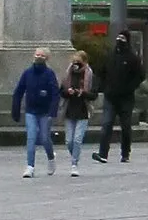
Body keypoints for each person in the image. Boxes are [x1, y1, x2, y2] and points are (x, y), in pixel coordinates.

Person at [12, 46, 61, 177]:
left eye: (42, 55)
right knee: (31, 137)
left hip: (45, 112)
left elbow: (55, 93)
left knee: (45, 138)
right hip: (31, 111)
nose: (38, 57)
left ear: (47, 58)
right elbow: (18, 91)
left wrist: (53, 112)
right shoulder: (27, 73)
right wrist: (15, 110)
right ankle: (30, 166)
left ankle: (51, 158)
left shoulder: (49, 74)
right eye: (37, 54)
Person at [95, 30, 142, 162]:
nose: (119, 41)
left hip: (126, 99)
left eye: (122, 39)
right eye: (118, 38)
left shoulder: (133, 58)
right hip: (110, 97)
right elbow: (101, 72)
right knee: (106, 124)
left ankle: (125, 153)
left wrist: (129, 88)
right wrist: (105, 87)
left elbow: (140, 76)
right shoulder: (110, 56)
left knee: (126, 127)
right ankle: (103, 153)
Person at [61, 46, 95, 173]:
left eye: (78, 62)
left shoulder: (89, 74)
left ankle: (74, 163)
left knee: (77, 139)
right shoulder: (68, 73)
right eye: (74, 61)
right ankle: (74, 156)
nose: (75, 64)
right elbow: (61, 91)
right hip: (69, 109)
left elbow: (94, 94)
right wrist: (68, 92)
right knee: (69, 141)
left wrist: (83, 93)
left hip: (83, 110)